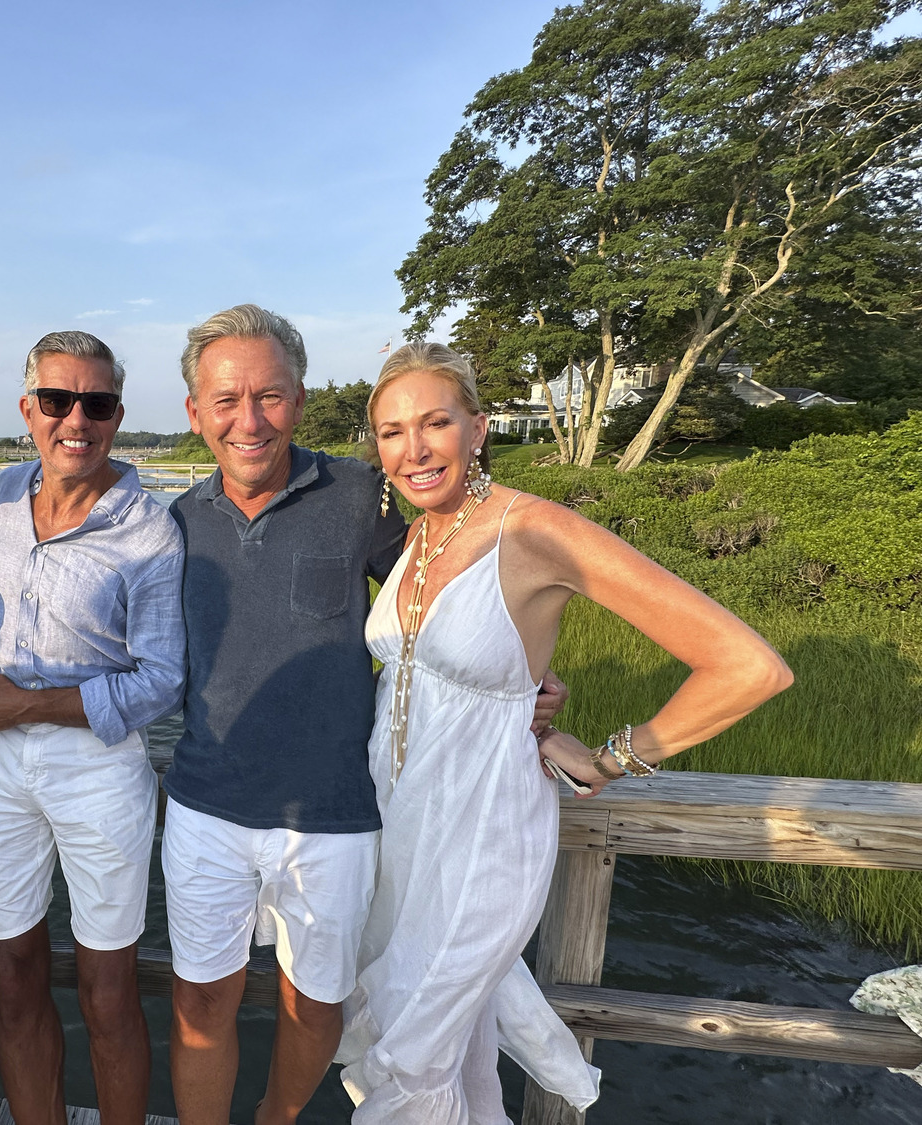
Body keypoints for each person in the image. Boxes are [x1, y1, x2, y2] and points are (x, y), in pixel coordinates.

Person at [337, 342, 793, 1122]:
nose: (413, 449)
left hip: (486, 836)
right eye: (391, 431)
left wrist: (613, 757)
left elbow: (749, 665)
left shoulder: (537, 530)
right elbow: (430, 678)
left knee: (411, 1053)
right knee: (452, 1046)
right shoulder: (419, 537)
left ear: (478, 428)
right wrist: (530, 705)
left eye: (436, 422)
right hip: (399, 828)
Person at [162, 305, 567, 1125]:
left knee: (317, 1004)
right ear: (194, 413)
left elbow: (442, 599)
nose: (250, 419)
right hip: (204, 803)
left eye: (270, 396)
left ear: (301, 400)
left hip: (338, 814)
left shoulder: (360, 495)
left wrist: (532, 685)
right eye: (227, 399)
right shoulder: (172, 520)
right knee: (198, 1001)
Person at [0, 331, 186, 1125]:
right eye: (57, 400)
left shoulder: (149, 528)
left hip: (99, 764)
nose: (75, 419)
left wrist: (26, 704)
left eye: (97, 403)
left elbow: (162, 678)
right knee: (13, 972)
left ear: (118, 416)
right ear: (29, 409)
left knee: (108, 985)